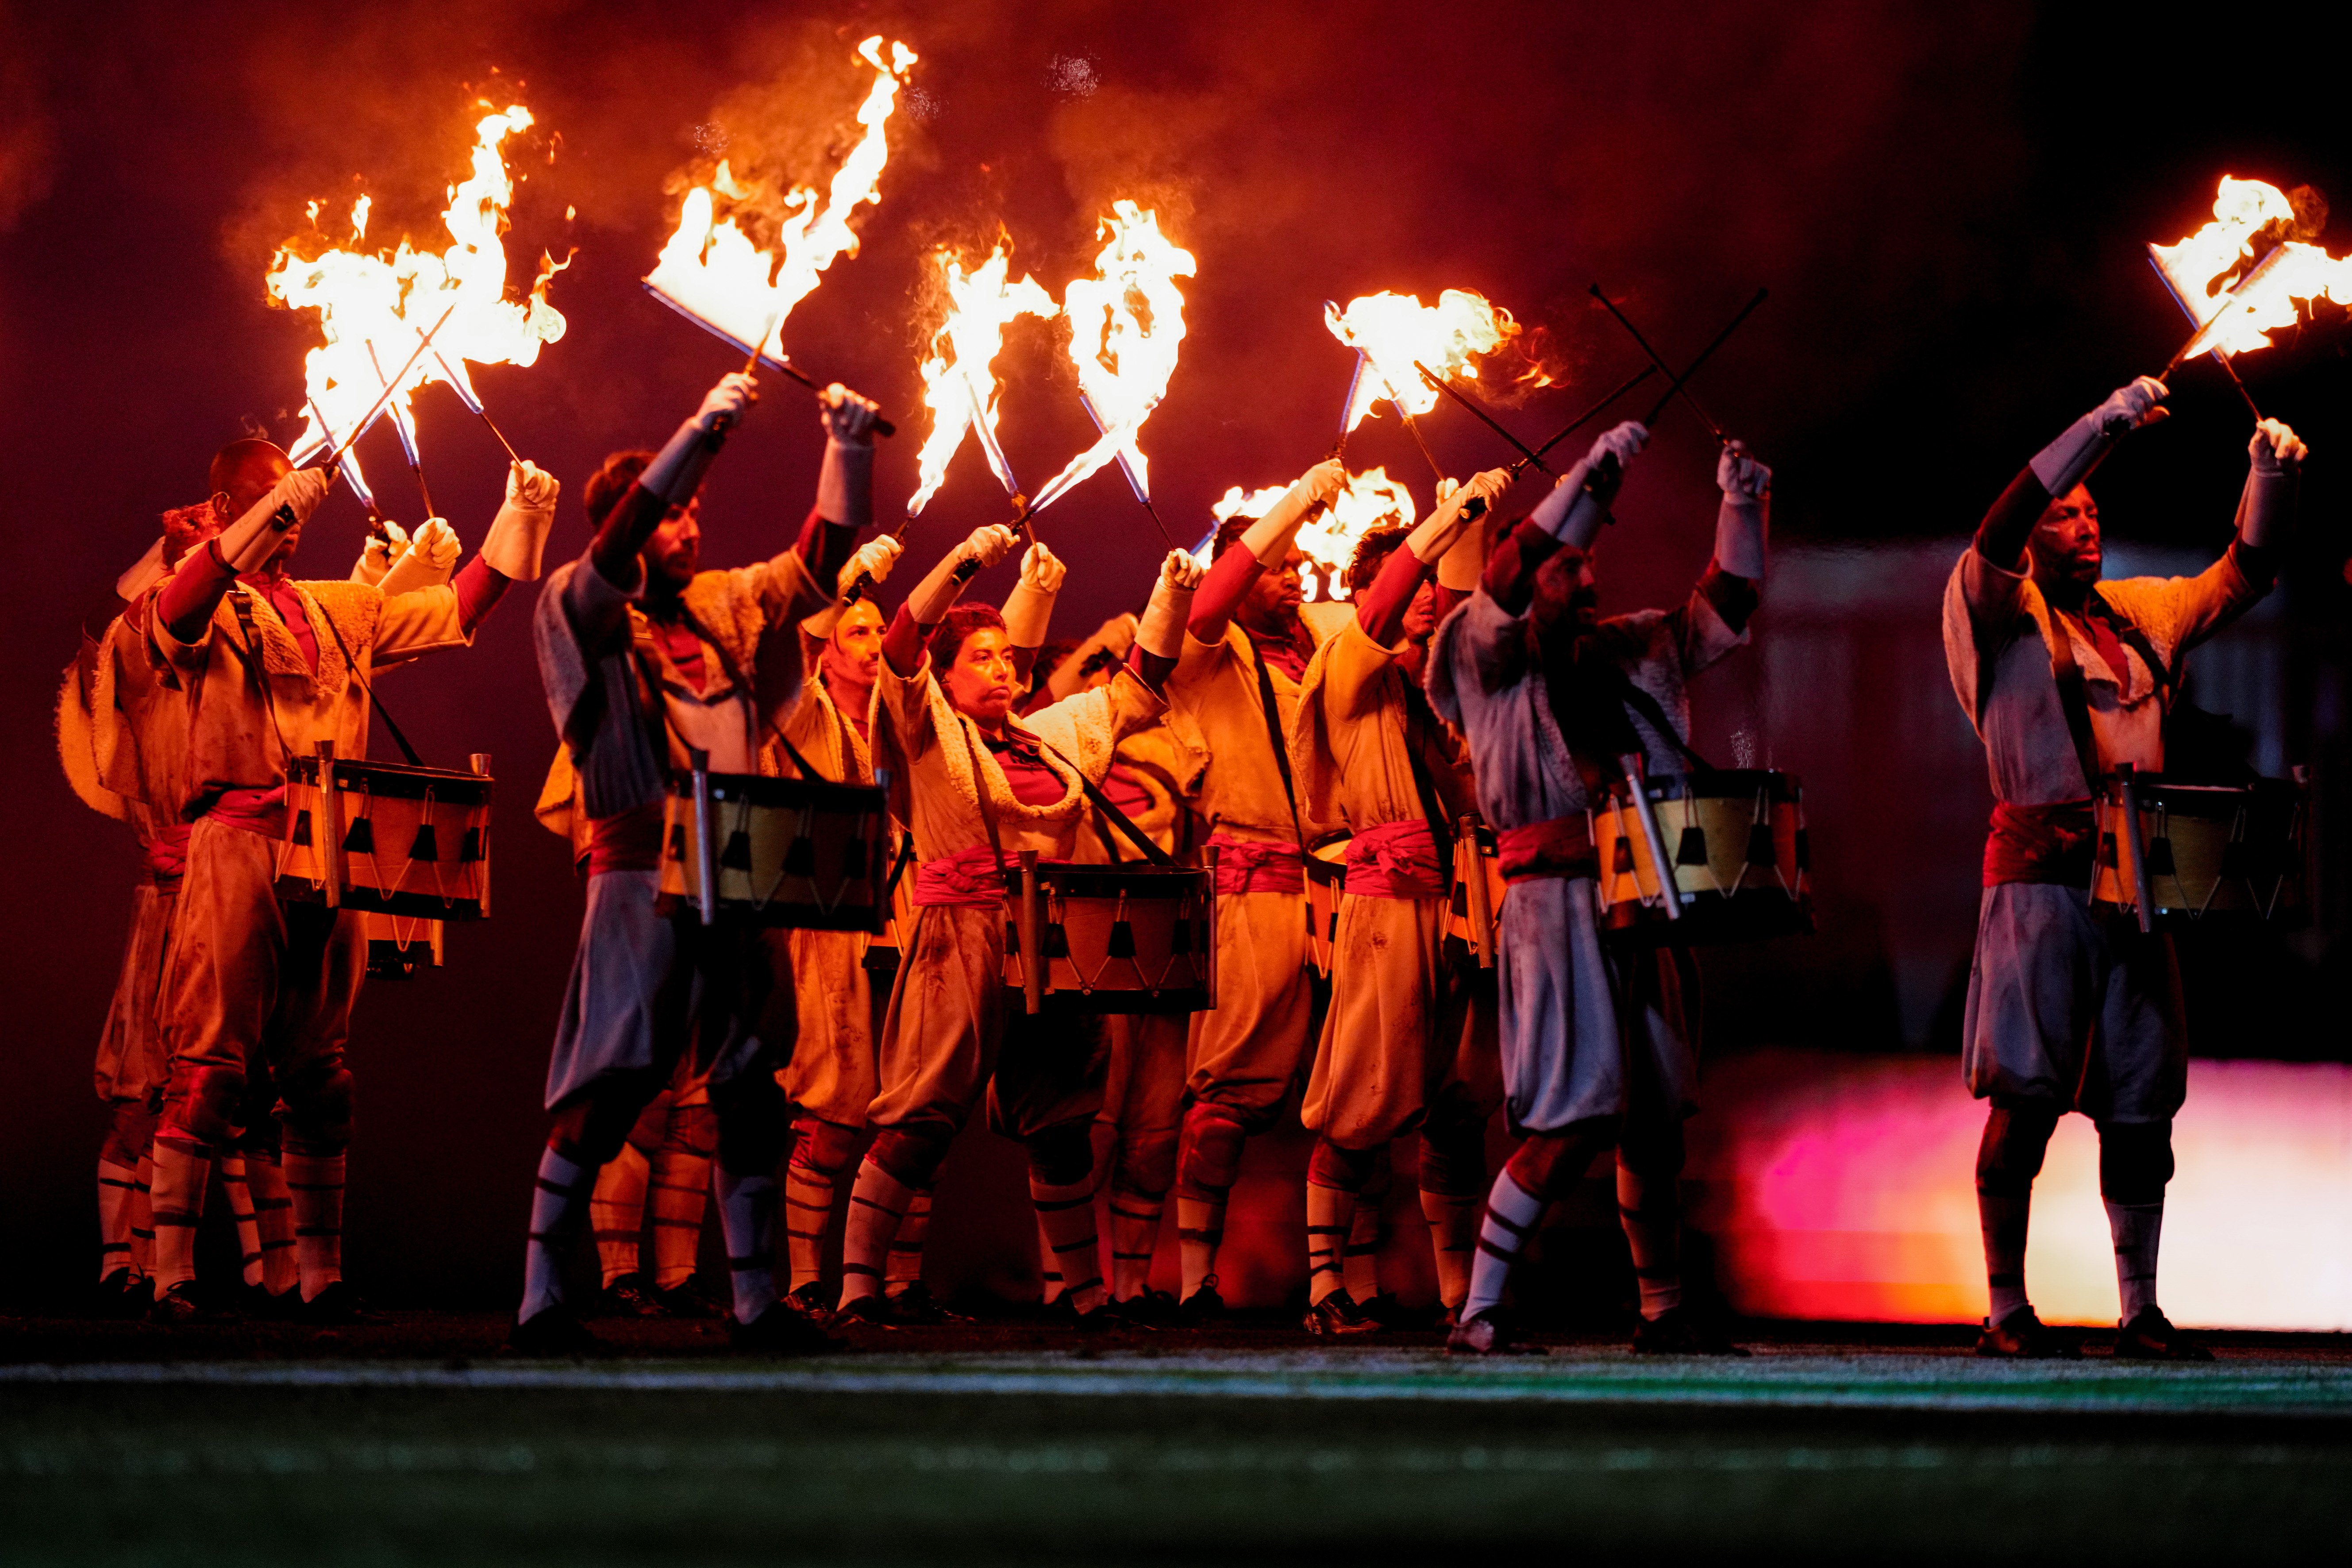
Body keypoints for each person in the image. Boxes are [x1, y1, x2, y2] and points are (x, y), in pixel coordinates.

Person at [96, 435, 553, 1325]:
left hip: (330, 850)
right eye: (273, 499)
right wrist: (271, 509)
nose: (296, 514)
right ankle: (172, 1277)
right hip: (234, 847)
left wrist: (522, 515)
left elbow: (460, 607)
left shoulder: (338, 606)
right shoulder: (187, 602)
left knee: (323, 1077)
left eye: (297, 498)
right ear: (229, 508)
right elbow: (180, 607)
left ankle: (320, 1278)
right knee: (210, 1068)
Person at [512, 371, 878, 1355]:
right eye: (672, 514)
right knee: (615, 1079)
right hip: (638, 874)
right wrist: (698, 434)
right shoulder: (574, 607)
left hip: (739, 862)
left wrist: (849, 449)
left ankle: (757, 1304)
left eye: (696, 514)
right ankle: (543, 1298)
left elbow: (819, 561)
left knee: (753, 1079)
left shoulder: (719, 604)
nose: (689, 527)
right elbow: (609, 559)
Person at [1943, 379, 2298, 1360]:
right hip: (2039, 886)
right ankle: (2006, 1305)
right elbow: (2000, 518)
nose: (2084, 521)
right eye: (2068, 511)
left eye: (2094, 510)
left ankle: (2138, 1306)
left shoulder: (2140, 613)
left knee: (2143, 1103)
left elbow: (2247, 573)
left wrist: (2265, 473)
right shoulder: (1992, 612)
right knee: (2025, 1097)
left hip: (2139, 893)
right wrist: (2096, 427)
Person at [1426, 422, 1768, 1355]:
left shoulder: (1630, 648)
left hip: (1642, 907)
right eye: (1566, 568)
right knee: (1571, 1118)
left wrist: (1742, 502)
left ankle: (1662, 1310)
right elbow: (1503, 575)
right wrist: (1587, 476)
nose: (1587, 579)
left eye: (1588, 566)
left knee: (1656, 1121)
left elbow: (1726, 608)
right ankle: (1482, 1311)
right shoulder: (1481, 656)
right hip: (1554, 908)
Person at [833, 529, 1201, 1326]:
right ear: (947, 674)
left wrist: (1172, 597)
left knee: (1064, 1121)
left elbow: (1138, 686)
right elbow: (902, 645)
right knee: (922, 1115)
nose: (1001, 670)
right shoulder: (923, 723)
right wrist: (965, 561)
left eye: (1007, 658)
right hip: (959, 933)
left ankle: (1085, 1294)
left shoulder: (1054, 736)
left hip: (1051, 940)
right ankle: (857, 1291)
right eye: (982, 659)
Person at [1286, 471, 1509, 1333]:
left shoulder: (1439, 683)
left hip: (1458, 898)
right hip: (1383, 901)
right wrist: (1445, 518)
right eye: (1407, 586)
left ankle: (1461, 1299)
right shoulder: (1349, 654)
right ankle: (1326, 1288)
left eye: (1428, 588)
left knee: (1457, 1102)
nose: (1422, 599)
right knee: (1361, 1099)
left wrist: (1468, 539)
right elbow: (1384, 611)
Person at [1159, 461, 1353, 1319]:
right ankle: (1196, 1281)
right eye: (1276, 563)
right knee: (1227, 1099)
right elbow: (1205, 604)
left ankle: (1339, 1286)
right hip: (1251, 889)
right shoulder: (1210, 648)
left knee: (1360, 1093)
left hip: (1343, 893)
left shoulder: (1314, 640)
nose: (1292, 574)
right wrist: (1284, 504)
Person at [770, 534, 909, 1324]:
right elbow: (787, 635)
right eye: (856, 630)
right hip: (824, 924)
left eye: (878, 630)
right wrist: (849, 576)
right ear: (824, 650)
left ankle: (882, 1285)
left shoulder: (903, 712)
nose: (873, 643)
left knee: (906, 1106)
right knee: (831, 1111)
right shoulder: (802, 706)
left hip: (903, 916)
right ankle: (802, 1282)